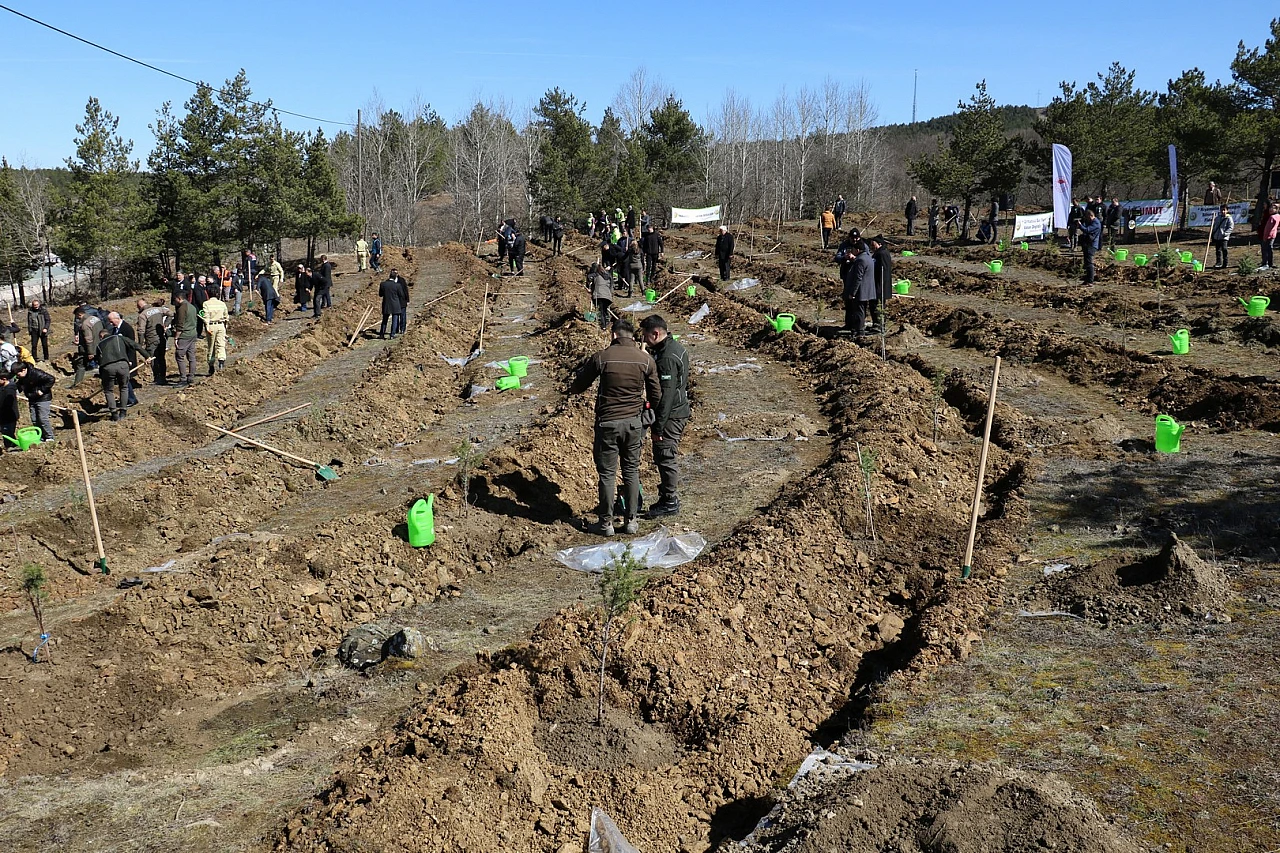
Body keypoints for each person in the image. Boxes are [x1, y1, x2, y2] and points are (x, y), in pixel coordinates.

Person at [567, 318, 661, 536]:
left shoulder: (602, 357)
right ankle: (631, 521)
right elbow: (656, 395)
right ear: (633, 336)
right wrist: (646, 410)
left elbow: (579, 385)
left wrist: (571, 388)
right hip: (633, 424)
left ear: (614, 335)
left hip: (608, 423)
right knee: (631, 470)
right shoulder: (645, 360)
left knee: (608, 474)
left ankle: (606, 523)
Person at [639, 315, 690, 517]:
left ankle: (670, 501)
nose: (643, 339)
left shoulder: (667, 358)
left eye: (645, 335)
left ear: (655, 333)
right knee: (663, 455)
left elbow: (666, 396)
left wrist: (658, 427)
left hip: (671, 415)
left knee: (666, 455)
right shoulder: (672, 348)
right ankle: (666, 496)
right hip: (676, 410)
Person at [96, 316, 146, 420]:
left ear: (101, 336)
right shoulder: (119, 338)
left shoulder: (99, 345)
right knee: (124, 387)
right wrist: (147, 356)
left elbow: (99, 361)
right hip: (123, 366)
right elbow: (135, 345)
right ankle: (123, 411)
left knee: (108, 391)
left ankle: (114, 414)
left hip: (108, 368)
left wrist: (102, 375)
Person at [839, 238, 875, 338]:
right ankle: (858, 330)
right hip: (867, 290)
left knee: (858, 312)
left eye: (853, 249)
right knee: (861, 311)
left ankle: (859, 331)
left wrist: (852, 293)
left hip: (860, 291)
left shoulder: (860, 260)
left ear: (858, 250)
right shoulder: (868, 258)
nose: (852, 251)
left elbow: (858, 278)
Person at [12, 361, 55, 440]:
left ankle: (49, 437)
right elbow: (19, 385)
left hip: (43, 398)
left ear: (24, 370)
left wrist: (42, 390)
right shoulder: (22, 377)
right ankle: (41, 436)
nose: (18, 376)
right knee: (34, 419)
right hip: (32, 398)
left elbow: (51, 379)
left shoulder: (36, 373)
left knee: (42, 418)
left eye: (18, 374)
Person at [135, 298, 171, 385]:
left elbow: (141, 331)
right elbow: (171, 313)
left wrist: (140, 344)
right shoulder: (158, 309)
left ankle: (157, 377)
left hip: (151, 339)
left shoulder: (143, 315)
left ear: (139, 307)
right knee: (161, 358)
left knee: (153, 358)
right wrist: (166, 325)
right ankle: (163, 377)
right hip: (161, 338)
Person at [71, 305, 105, 387]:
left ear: (79, 314)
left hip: (90, 348)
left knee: (81, 365)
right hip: (100, 345)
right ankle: (105, 381)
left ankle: (77, 384)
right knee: (102, 364)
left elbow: (88, 339)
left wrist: (90, 352)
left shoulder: (85, 324)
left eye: (77, 317)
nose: (77, 319)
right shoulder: (95, 318)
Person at [172, 291, 198, 386]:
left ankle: (183, 378)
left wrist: (176, 337)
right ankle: (191, 376)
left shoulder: (182, 308)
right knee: (191, 356)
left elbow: (180, 324)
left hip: (185, 335)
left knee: (179, 356)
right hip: (193, 333)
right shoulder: (192, 307)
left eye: (175, 299)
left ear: (179, 298)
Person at [868, 235, 893, 334]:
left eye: (873, 245)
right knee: (874, 305)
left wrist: (879, 286)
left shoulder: (882, 254)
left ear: (879, 244)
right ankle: (876, 324)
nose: (871, 247)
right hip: (877, 284)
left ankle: (879, 326)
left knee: (878, 306)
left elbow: (883, 272)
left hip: (880, 285)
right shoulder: (879, 253)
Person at [201, 287, 229, 374]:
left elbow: (206, 317)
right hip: (221, 325)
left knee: (211, 346)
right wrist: (225, 326)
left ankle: (211, 365)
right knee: (221, 344)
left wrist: (207, 327)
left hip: (211, 326)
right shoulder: (222, 304)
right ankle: (221, 362)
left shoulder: (206, 304)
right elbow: (226, 316)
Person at [379, 269, 405, 338]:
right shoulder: (397, 285)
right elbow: (401, 295)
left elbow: (380, 294)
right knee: (395, 320)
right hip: (395, 304)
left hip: (386, 304)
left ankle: (382, 333)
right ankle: (392, 334)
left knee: (384, 320)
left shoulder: (383, 284)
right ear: (395, 278)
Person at [1079, 208, 1102, 284]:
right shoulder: (1092, 222)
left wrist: (1080, 225)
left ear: (1090, 216)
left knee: (1089, 263)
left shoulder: (1096, 223)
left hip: (1092, 245)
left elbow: (1087, 230)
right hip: (1088, 244)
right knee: (1086, 262)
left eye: (1087, 217)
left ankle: (1090, 280)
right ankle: (1087, 279)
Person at [588, 263, 613, 330]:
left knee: (601, 311)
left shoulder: (596, 275)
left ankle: (603, 326)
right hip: (607, 295)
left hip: (599, 295)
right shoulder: (608, 276)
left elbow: (589, 277)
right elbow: (611, 285)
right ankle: (606, 322)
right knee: (604, 310)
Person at [1211, 204, 1233, 268]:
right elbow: (1214, 226)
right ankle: (1218, 263)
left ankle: (1225, 263)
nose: (1223, 211)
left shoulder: (1229, 218)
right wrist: (1213, 233)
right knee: (1218, 250)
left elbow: (1230, 227)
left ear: (1227, 210)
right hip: (1217, 237)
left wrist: (1225, 234)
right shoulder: (1217, 218)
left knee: (1224, 249)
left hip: (1224, 237)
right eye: (1221, 210)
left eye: (1224, 210)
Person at [0, 370, 17, 451]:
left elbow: (8, 405)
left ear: (4, 379)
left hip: (9, 416)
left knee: (8, 432)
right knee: (5, 431)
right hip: (3, 415)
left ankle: (12, 447)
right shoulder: (2, 387)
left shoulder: (10, 390)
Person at [1259, 201, 1279, 271]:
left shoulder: (1272, 217)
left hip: (1268, 235)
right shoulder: (1278, 216)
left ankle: (1265, 263)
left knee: (1265, 249)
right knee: (1270, 249)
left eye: (1273, 208)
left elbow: (1267, 228)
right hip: (1273, 235)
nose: (1270, 209)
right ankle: (1270, 263)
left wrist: (1265, 237)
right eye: (1270, 208)